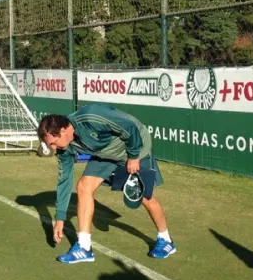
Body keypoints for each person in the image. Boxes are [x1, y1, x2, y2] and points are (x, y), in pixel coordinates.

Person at [37, 103, 176, 264]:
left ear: (62, 131)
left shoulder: (91, 116)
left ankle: (166, 240)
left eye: (53, 143)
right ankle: (84, 247)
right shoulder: (64, 148)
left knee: (145, 197)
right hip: (105, 153)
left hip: (135, 145)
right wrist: (60, 218)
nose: (53, 148)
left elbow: (130, 127)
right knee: (84, 186)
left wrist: (133, 156)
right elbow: (64, 180)